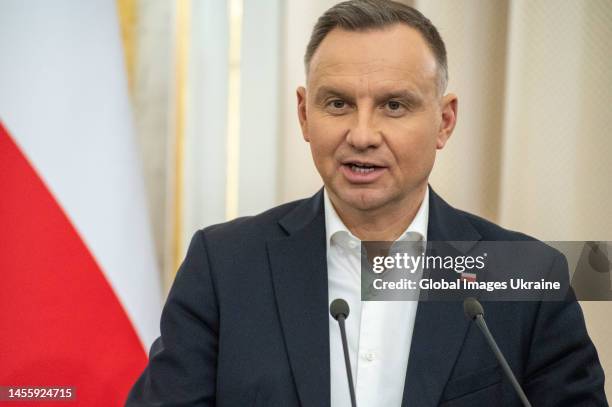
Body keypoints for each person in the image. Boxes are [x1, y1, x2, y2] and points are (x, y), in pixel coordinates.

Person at [126, 1, 607, 405]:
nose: (361, 135)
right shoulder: (224, 263)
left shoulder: (524, 273)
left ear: (444, 121)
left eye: (394, 105)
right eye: (337, 104)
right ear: (304, 114)